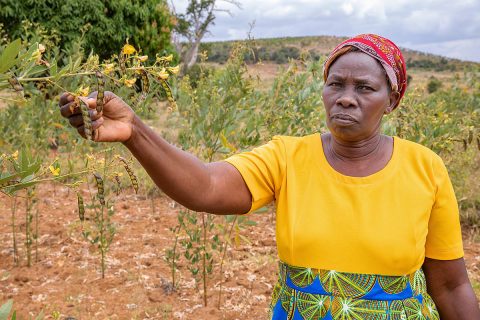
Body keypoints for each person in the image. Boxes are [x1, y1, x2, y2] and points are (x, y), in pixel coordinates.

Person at [59, 34, 480, 319]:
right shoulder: (288, 157)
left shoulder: (425, 168)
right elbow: (204, 186)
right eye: (336, 84)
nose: (346, 99)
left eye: (365, 88)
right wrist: (135, 132)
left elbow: (450, 287)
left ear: (392, 100)